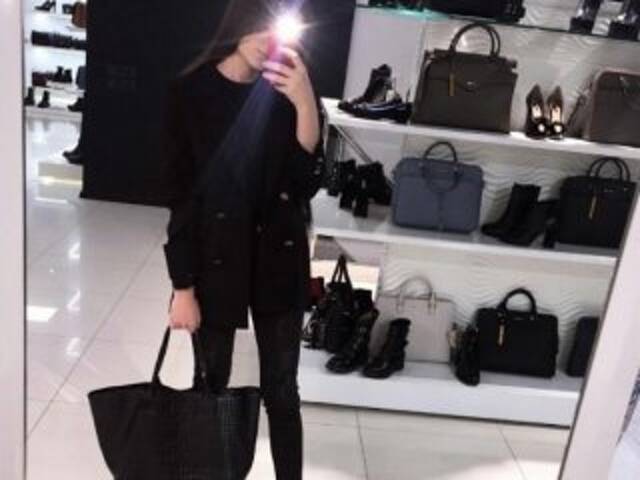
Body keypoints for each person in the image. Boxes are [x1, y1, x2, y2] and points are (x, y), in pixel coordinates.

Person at [163, 2, 323, 479]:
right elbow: (180, 197)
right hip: (215, 256)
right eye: (257, 28)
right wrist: (182, 286)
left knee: (283, 392)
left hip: (279, 255)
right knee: (211, 386)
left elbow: (305, 183)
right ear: (238, 24)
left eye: (275, 32)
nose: (265, 42)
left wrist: (306, 103)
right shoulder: (191, 93)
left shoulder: (288, 89)